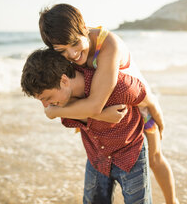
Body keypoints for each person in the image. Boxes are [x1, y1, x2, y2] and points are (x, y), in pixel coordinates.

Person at [39, 3, 178, 204]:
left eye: (75, 44)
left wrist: (55, 112)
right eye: (62, 50)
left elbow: (95, 105)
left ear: (84, 28)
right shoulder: (64, 50)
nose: (71, 55)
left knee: (155, 158)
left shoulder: (108, 46)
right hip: (111, 112)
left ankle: (172, 201)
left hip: (140, 104)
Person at [21, 48, 155, 203]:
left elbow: (146, 98)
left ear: (64, 80)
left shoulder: (118, 86)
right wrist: (100, 114)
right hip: (96, 156)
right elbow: (74, 112)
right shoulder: (61, 101)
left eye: (47, 97)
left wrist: (158, 124)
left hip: (130, 155)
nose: (46, 105)